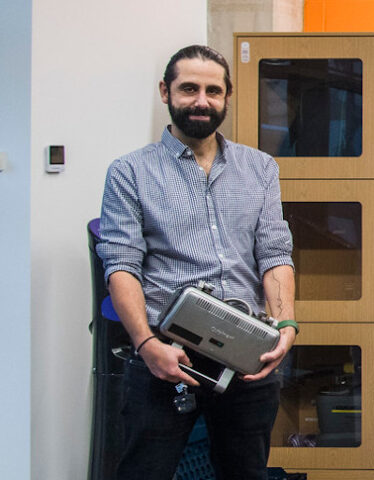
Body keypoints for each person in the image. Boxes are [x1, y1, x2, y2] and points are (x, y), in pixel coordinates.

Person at [96, 45, 300, 480]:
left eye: (213, 90)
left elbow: (274, 253)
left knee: (245, 473)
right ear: (165, 92)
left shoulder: (259, 168)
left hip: (246, 355)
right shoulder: (130, 172)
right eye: (189, 89)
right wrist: (147, 346)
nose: (201, 101)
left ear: (228, 95)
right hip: (165, 353)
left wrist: (285, 325)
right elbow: (121, 265)